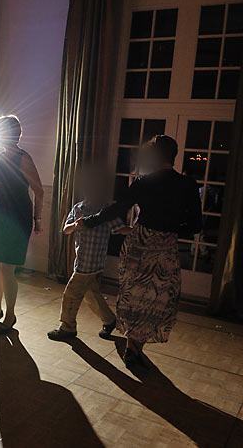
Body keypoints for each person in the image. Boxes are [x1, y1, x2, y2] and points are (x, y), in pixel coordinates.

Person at [83, 135, 202, 368]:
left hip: (140, 243)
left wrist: (88, 221)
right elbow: (195, 226)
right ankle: (136, 347)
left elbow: (116, 210)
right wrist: (172, 228)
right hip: (165, 246)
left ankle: (132, 347)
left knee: (133, 294)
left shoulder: (144, 182)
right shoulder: (188, 184)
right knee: (157, 298)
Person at [47, 165, 132, 342]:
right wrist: (75, 225)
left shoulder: (106, 211)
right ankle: (109, 320)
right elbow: (66, 229)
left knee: (71, 294)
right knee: (91, 293)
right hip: (84, 261)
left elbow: (121, 229)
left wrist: (137, 230)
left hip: (89, 264)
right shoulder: (79, 208)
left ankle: (67, 327)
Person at [0, 115, 44, 334]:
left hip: (18, 217)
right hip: (0, 215)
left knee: (7, 268)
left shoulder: (23, 158)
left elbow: (39, 190)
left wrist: (37, 219)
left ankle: (10, 314)